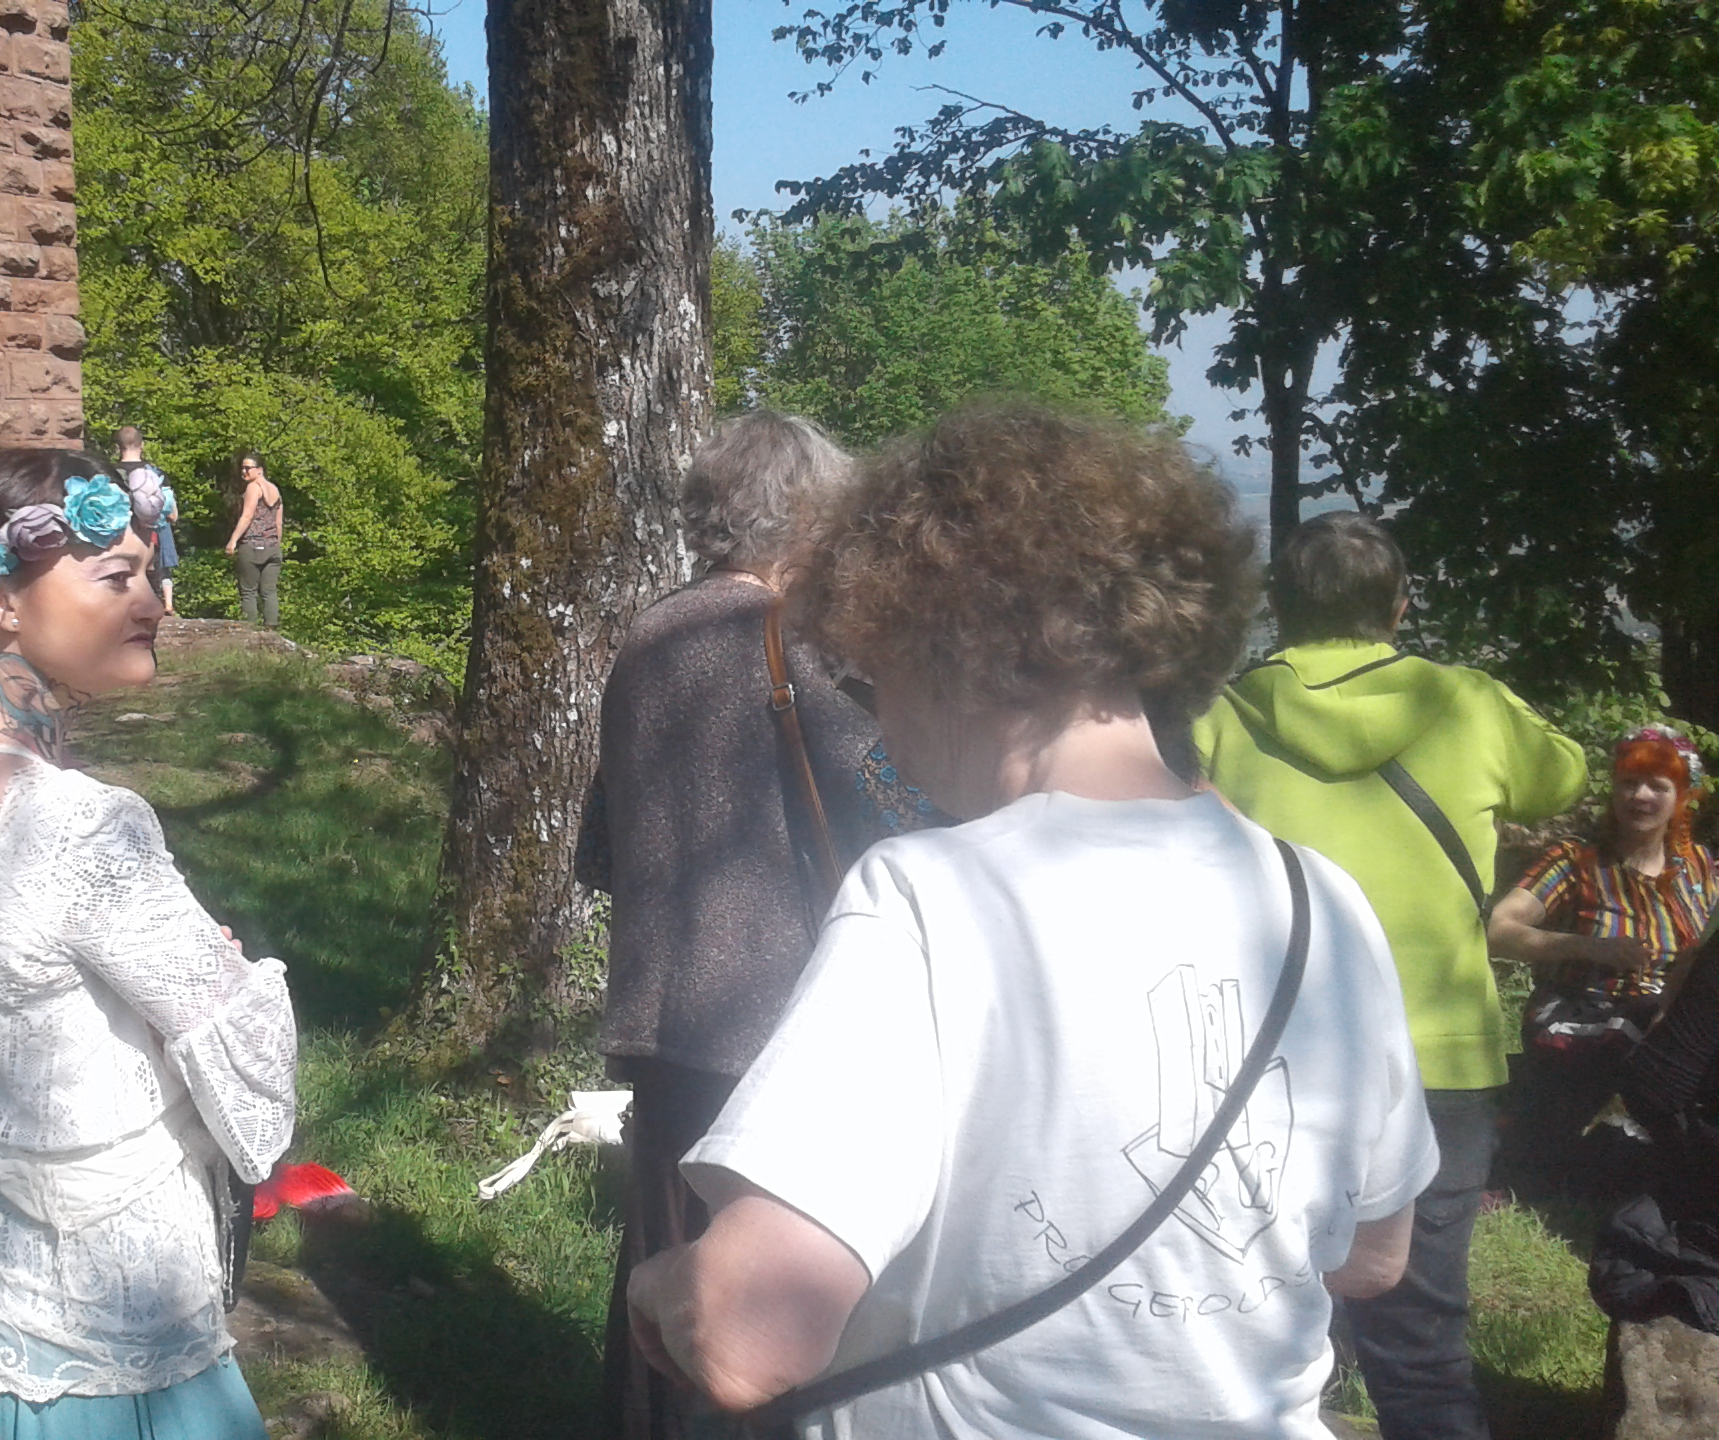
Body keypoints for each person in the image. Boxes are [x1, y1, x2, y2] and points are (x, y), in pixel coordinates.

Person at [628, 404, 1437, 1439]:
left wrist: (665, 1281)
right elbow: (1372, 1254)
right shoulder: (1320, 898)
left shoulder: (930, 894)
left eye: (869, 679)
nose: (882, 723)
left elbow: (748, 1339)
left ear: (937, 644)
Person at [0, 448, 295, 1440]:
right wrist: (224, 973)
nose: (151, 600)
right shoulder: (78, 823)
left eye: (149, 573)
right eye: (115, 577)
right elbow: (252, 1068)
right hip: (112, 1349)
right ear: (0, 599)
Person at [576, 410, 940, 1440]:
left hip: (659, 1011)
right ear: (809, 516)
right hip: (780, 1019)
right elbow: (897, 803)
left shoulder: (649, 634)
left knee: (663, 1273)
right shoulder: (796, 643)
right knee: (768, 1299)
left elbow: (599, 848)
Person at [1196, 509, 1585, 1440]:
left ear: (1279, 607)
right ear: (1401, 607)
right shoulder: (1469, 704)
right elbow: (1565, 778)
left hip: (1268, 1064)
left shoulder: (1220, 718)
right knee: (1422, 1338)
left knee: (1257, 1321)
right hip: (1438, 1058)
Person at [1488, 727, 1715, 1152]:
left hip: (1671, 1026)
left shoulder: (1698, 867)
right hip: (1581, 1014)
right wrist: (1588, 947)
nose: (1640, 796)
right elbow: (1499, 931)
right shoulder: (1577, 860)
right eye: (1629, 783)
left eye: (1657, 786)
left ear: (1682, 797)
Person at [116, 425, 180, 615]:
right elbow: (170, 512)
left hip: (117, 538)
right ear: (142, 445)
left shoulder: (108, 474)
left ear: (116, 447)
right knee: (150, 583)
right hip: (149, 538)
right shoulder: (155, 474)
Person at [223, 453, 281, 629]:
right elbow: (278, 522)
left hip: (252, 544)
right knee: (269, 591)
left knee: (248, 591)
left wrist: (233, 540)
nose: (244, 471)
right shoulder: (275, 490)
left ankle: (250, 632)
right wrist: (276, 544)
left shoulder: (253, 488)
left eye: (248, 468)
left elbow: (247, 515)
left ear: (260, 470)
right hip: (272, 547)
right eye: (242, 467)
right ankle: (271, 630)